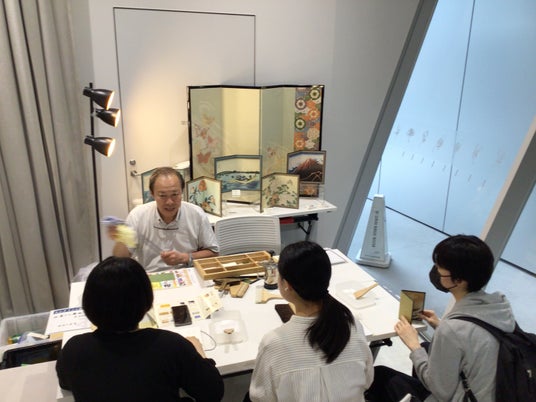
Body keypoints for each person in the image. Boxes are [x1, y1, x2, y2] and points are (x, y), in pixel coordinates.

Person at [366, 234, 516, 402]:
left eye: (440, 267)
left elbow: (442, 392)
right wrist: (440, 326)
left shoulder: (452, 329)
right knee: (428, 348)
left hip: (460, 397)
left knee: (379, 375)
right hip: (497, 391)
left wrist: (414, 346)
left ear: (458, 280)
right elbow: (474, 340)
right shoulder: (500, 307)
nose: (436, 270)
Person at [56, 256, 224, 402]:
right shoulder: (169, 345)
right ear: (146, 301)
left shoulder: (73, 349)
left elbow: (65, 383)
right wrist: (199, 352)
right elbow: (213, 392)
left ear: (88, 303)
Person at [248, 241, 374, 402]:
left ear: (287, 285)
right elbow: (367, 381)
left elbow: (260, 397)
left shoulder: (274, 343)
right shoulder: (352, 324)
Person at [111, 167, 218, 271]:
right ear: (152, 194)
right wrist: (121, 238)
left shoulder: (196, 214)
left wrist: (185, 258)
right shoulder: (137, 216)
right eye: (162, 196)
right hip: (151, 276)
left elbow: (214, 252)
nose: (169, 202)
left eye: (175, 194)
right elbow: (119, 260)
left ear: (182, 192)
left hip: (188, 274)